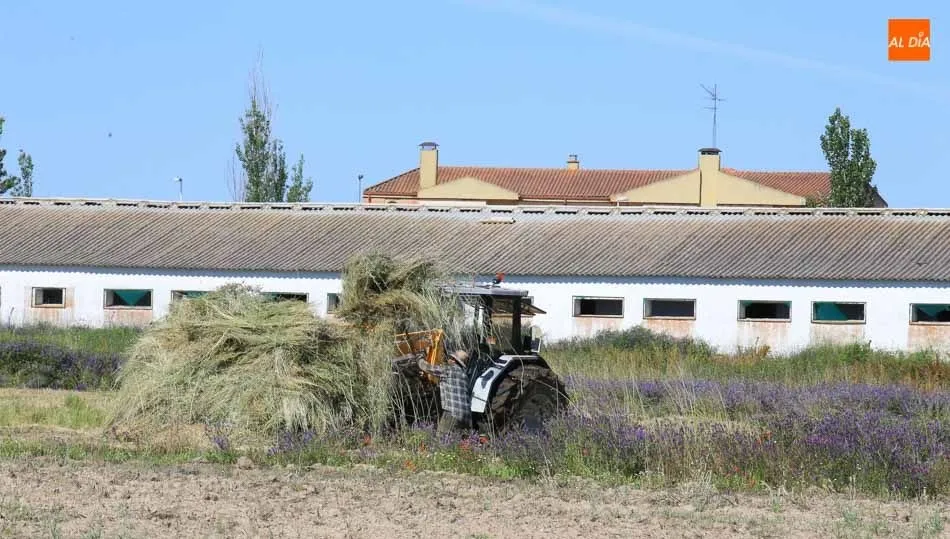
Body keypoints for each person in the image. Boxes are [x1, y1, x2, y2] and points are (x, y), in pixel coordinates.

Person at [418, 350, 472, 434]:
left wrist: (419, 359)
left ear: (454, 360)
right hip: (466, 417)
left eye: (451, 358)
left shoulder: (449, 369)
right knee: (460, 444)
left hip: (452, 413)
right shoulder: (464, 375)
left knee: (441, 439)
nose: (448, 359)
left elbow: (429, 368)